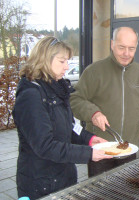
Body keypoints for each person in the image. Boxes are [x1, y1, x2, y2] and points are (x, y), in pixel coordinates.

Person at [12, 36, 112, 200]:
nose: (67, 66)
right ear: (44, 59)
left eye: (68, 61)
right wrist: (89, 154)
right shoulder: (31, 95)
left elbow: (71, 127)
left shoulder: (57, 89)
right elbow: (44, 145)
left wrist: (90, 139)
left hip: (63, 178)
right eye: (62, 61)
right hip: (41, 184)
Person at [70, 27, 139, 177]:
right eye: (121, 47)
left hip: (129, 147)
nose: (126, 53)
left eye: (131, 48)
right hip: (101, 148)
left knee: (127, 191)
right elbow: (75, 99)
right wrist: (93, 113)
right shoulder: (94, 71)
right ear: (112, 44)